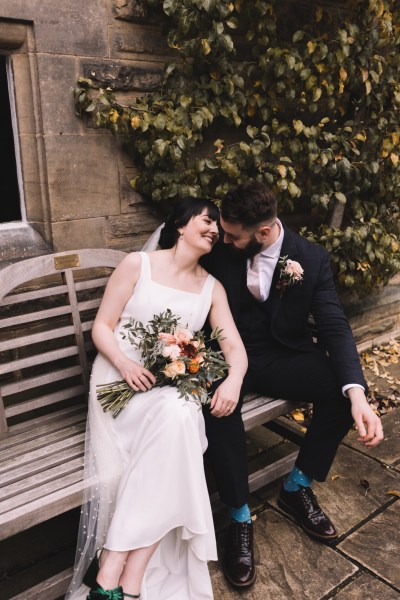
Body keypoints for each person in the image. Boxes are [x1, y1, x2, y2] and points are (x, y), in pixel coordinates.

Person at [201, 180, 384, 590]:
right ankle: (238, 516)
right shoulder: (220, 247)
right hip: (225, 354)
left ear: (263, 233)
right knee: (218, 406)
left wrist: (360, 396)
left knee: (343, 390)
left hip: (279, 354)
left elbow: (335, 326)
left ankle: (296, 486)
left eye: (233, 236)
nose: (223, 240)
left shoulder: (311, 259)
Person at [65, 197, 248, 600]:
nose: (215, 230)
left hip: (168, 390)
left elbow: (233, 345)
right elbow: (103, 326)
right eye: (207, 220)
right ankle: (126, 574)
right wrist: (124, 364)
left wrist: (233, 380)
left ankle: (118, 567)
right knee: (181, 425)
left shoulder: (211, 288)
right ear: (181, 225)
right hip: (118, 382)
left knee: (181, 417)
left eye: (218, 227)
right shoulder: (138, 265)